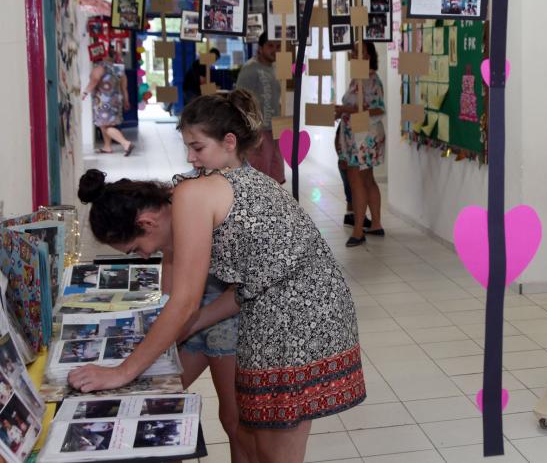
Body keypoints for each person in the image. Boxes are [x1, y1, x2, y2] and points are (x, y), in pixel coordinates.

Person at [71, 90, 365, 463]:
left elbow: (187, 300)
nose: (191, 159)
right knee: (262, 437)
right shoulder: (216, 184)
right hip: (309, 308)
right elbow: (244, 288)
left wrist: (122, 372)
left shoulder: (193, 195)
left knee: (273, 449)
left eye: (197, 147)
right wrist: (178, 330)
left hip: (294, 320)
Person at [336, 42, 386, 247]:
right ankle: (375, 224)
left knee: (357, 181)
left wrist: (345, 110)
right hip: (355, 136)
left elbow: (377, 109)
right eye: (354, 52)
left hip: (363, 137)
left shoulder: (371, 79)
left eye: (361, 52)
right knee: (366, 179)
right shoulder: (357, 78)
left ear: (369, 56)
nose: (356, 55)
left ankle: (358, 230)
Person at [235, 32, 284, 183]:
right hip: (258, 131)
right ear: (260, 47)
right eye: (270, 46)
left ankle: (273, 206)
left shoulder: (275, 68)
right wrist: (250, 131)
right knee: (260, 176)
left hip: (274, 130)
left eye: (278, 46)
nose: (274, 50)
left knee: (275, 174)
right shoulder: (250, 69)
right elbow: (239, 100)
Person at [82, 49, 134, 156]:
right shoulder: (119, 69)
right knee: (104, 124)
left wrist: (85, 92)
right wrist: (126, 101)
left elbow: (95, 79)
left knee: (105, 126)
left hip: (103, 102)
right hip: (115, 101)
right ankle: (107, 147)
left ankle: (126, 143)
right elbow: (124, 88)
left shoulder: (101, 67)